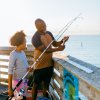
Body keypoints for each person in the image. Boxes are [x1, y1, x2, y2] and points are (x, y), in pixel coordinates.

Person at [31, 18, 69, 100]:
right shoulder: (35, 38)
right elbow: (45, 50)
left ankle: (45, 98)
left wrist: (63, 40)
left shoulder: (49, 33)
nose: (44, 27)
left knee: (46, 86)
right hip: (39, 66)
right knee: (35, 85)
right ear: (36, 27)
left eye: (45, 25)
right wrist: (58, 49)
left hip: (49, 65)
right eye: (41, 26)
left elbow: (55, 44)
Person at [8, 31, 31, 100]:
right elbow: (10, 71)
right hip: (18, 82)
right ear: (20, 43)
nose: (26, 44)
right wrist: (9, 88)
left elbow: (25, 66)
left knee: (23, 97)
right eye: (25, 43)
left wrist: (29, 68)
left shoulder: (23, 52)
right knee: (19, 98)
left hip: (24, 81)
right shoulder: (13, 54)